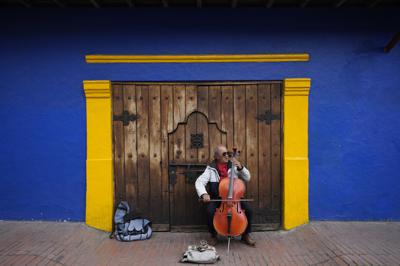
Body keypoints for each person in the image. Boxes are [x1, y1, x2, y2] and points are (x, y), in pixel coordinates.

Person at [195, 144, 256, 247]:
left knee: (249, 210)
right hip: (218, 198)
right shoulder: (211, 169)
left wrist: (241, 168)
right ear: (217, 157)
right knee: (210, 211)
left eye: (227, 153)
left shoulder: (234, 166)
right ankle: (213, 235)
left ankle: (246, 234)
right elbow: (199, 182)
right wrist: (204, 194)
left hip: (235, 199)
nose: (227, 156)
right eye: (224, 154)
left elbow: (247, 177)